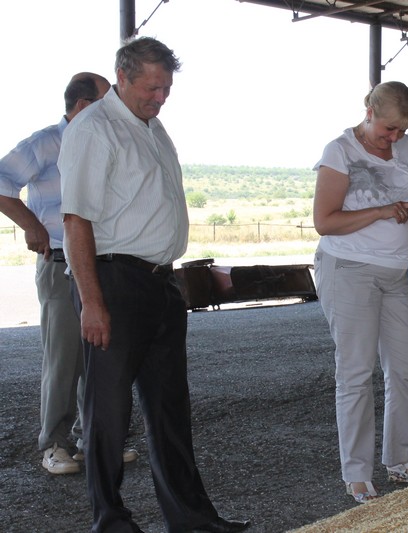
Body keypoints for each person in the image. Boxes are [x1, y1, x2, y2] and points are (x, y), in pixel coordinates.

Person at [59, 37, 250, 533]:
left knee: (170, 409)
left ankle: (192, 520)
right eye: (151, 88)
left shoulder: (153, 126)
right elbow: (76, 220)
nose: (161, 98)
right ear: (121, 78)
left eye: (166, 88)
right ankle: (110, 522)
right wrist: (92, 302)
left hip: (161, 282)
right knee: (109, 411)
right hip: (113, 281)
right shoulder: (93, 129)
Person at [313, 81, 408, 504]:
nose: (395, 138)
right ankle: (357, 473)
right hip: (348, 268)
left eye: (402, 130)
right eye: (388, 129)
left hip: (395, 271)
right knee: (356, 373)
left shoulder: (407, 148)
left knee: (405, 368)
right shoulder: (340, 151)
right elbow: (325, 221)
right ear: (368, 111)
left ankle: (401, 458)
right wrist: (383, 211)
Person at [0, 72, 119, 475]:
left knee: (98, 353)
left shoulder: (102, 142)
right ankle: (54, 445)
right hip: (58, 263)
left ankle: (92, 440)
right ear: (83, 106)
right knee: (64, 357)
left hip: (101, 263)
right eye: (106, 102)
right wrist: (31, 225)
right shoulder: (46, 142)